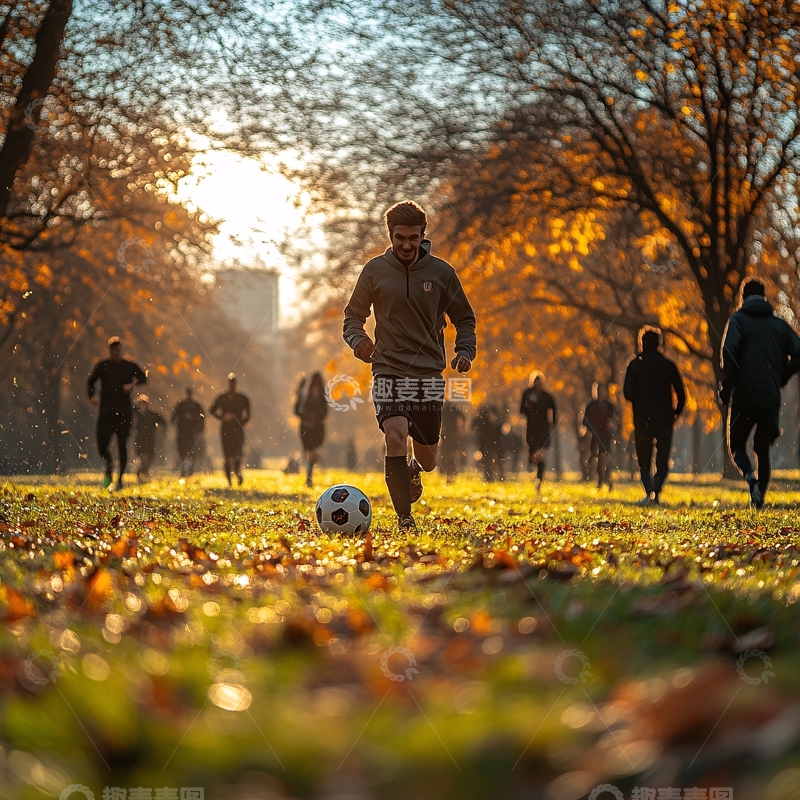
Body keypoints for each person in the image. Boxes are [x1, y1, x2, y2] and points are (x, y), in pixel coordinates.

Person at [343, 200, 476, 531]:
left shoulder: (442, 273)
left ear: (422, 236)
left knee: (429, 460)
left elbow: (465, 318)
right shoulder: (374, 270)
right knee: (395, 433)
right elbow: (352, 316)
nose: (406, 245)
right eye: (399, 237)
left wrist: (464, 350)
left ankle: (415, 470)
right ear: (390, 235)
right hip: (388, 368)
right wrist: (358, 341)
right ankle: (404, 516)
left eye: (413, 238)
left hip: (429, 374)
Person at [720, 279, 800, 508]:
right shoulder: (779, 325)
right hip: (769, 396)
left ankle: (750, 479)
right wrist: (781, 376)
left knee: (736, 446)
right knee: (762, 449)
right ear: (765, 296)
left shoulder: (737, 321)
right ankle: (759, 498)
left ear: (743, 297)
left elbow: (729, 353)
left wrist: (727, 385)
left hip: (743, 396)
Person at [623, 326, 685, 504]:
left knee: (644, 457)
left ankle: (649, 489)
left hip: (642, 419)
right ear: (659, 343)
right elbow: (681, 393)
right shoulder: (668, 365)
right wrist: (676, 412)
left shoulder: (634, 365)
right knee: (663, 456)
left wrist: (640, 397)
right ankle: (656, 490)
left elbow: (627, 393)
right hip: (664, 418)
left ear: (641, 342)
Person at [87, 336, 147, 490]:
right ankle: (109, 465)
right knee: (102, 445)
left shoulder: (129, 366)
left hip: (123, 412)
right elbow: (91, 381)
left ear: (120, 350)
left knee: (122, 445)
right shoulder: (103, 366)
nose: (115, 353)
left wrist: (132, 384)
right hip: (106, 412)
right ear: (110, 350)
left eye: (118, 350)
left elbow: (143, 377)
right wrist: (92, 395)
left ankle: (119, 479)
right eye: (113, 350)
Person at [210, 373, 251, 487]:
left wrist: (239, 422)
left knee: (237, 453)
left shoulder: (243, 398)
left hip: (238, 430)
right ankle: (229, 481)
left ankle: (237, 473)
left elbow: (248, 416)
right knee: (228, 456)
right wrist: (222, 418)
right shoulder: (222, 398)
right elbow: (211, 410)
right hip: (226, 430)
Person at [519, 372, 557, 492]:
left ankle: (539, 480)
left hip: (544, 428)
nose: (538, 384)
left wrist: (553, 422)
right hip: (531, 427)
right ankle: (531, 462)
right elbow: (521, 409)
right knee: (532, 452)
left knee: (541, 454)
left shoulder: (547, 396)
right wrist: (529, 413)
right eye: (536, 382)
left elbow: (554, 408)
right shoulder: (527, 393)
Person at [294, 372, 329, 487]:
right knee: (309, 451)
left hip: (317, 428)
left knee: (312, 451)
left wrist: (316, 420)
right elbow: (297, 411)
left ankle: (309, 474)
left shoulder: (322, 399)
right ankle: (309, 476)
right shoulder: (305, 397)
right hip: (306, 428)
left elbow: (325, 413)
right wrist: (307, 419)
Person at [581, 382, 617, 491]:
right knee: (595, 458)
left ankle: (606, 480)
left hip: (605, 435)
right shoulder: (590, 406)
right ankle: (601, 481)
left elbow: (615, 420)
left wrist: (612, 428)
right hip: (594, 436)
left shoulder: (609, 406)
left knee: (604, 458)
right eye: (597, 391)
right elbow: (585, 422)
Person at [172, 387, 205, 477]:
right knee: (182, 451)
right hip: (183, 432)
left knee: (191, 451)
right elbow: (173, 418)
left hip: (192, 432)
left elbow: (202, 419)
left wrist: (199, 430)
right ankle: (183, 470)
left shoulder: (195, 405)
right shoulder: (181, 405)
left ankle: (189, 469)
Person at [133, 395, 166, 482]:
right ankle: (142, 471)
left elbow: (163, 422)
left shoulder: (152, 415)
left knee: (150, 457)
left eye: (145, 404)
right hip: (140, 439)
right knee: (143, 456)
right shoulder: (135, 414)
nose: (143, 406)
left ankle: (143, 471)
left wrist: (162, 433)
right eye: (141, 403)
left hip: (150, 439)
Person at [472, 404, 503, 481]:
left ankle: (496, 476)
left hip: (494, 446)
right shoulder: (485, 426)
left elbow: (499, 438)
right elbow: (481, 438)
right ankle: (488, 477)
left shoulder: (497, 426)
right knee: (487, 461)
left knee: (494, 461)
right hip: (486, 446)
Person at [439, 401, 467, 482]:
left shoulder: (443, 410)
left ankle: (448, 475)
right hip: (454, 434)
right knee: (452, 456)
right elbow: (463, 417)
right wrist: (461, 428)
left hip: (445, 434)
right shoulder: (454, 409)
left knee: (447, 456)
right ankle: (452, 474)